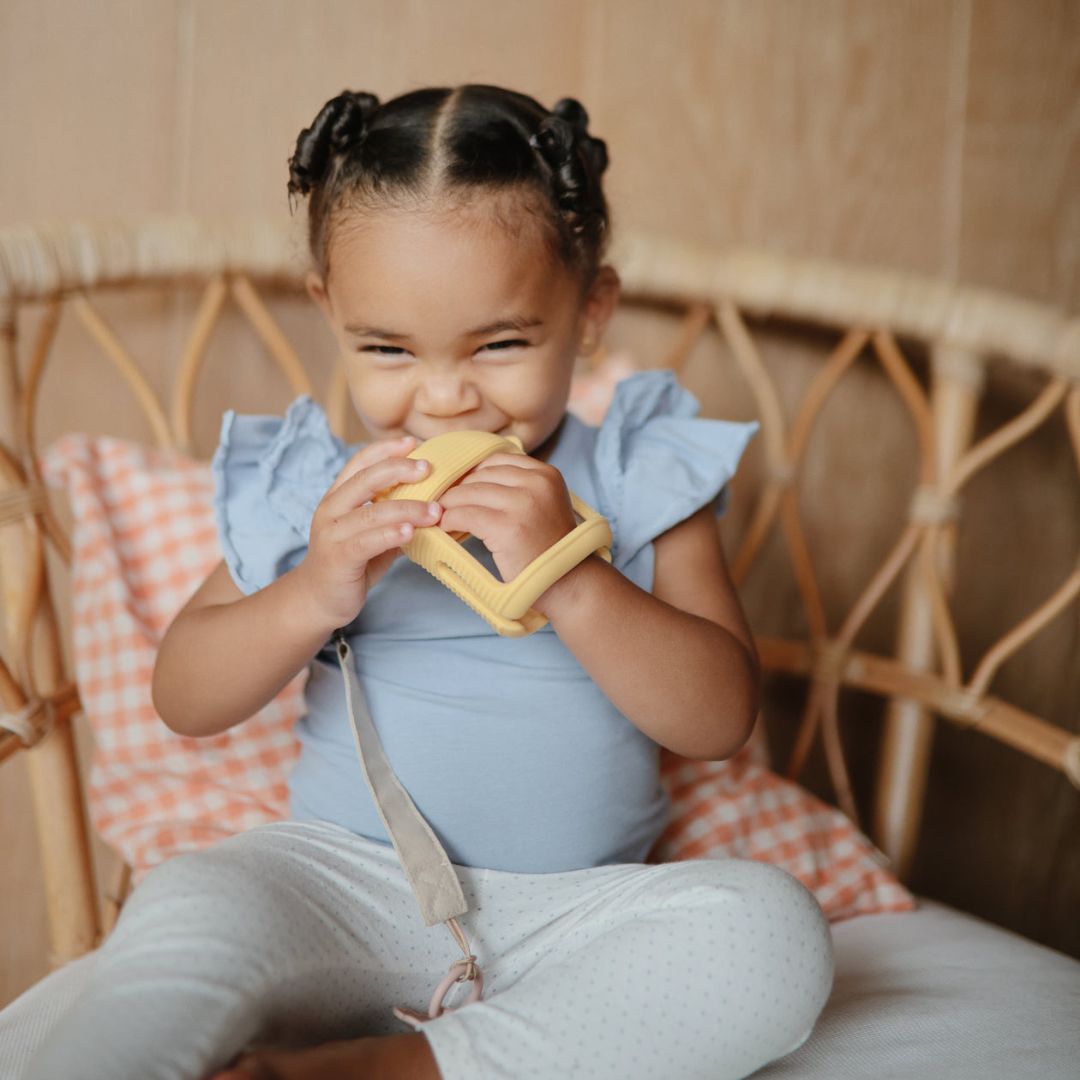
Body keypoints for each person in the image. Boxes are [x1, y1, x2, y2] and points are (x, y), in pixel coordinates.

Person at [13, 84, 832, 1080]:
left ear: (590, 312)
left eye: (501, 344)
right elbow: (183, 696)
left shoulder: (639, 472)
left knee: (773, 936)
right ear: (331, 312)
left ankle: (382, 1072)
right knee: (189, 904)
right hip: (337, 886)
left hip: (576, 913)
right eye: (388, 349)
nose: (444, 397)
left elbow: (718, 719)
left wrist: (570, 575)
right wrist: (315, 587)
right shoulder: (321, 489)